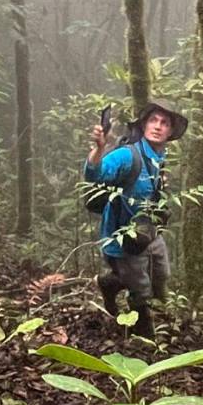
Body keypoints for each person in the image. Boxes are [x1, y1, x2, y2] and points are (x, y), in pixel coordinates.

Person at [84, 99, 187, 340]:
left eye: (164, 123)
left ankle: (111, 282)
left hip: (149, 234)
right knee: (141, 290)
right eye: (153, 120)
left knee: (161, 275)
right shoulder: (127, 156)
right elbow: (97, 173)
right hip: (123, 240)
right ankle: (144, 338)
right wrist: (99, 148)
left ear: (170, 131)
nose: (158, 126)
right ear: (143, 125)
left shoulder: (160, 158)